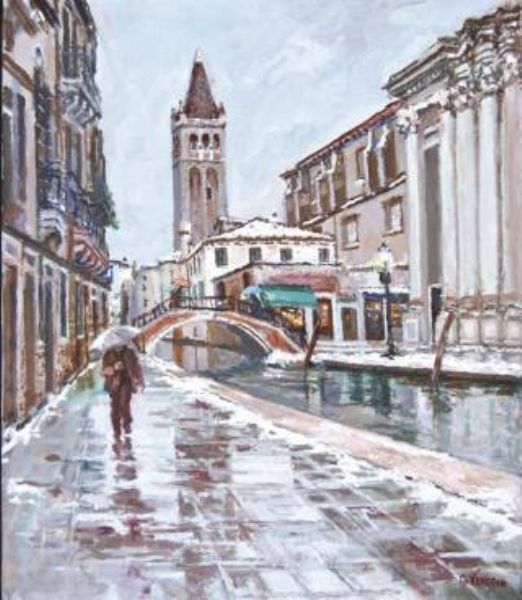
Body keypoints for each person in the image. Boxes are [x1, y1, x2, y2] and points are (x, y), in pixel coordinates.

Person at [102, 342, 144, 438]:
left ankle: (127, 423)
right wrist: (114, 367)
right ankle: (116, 428)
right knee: (115, 406)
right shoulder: (108, 354)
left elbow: (137, 367)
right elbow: (104, 371)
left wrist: (140, 381)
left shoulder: (130, 353)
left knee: (124, 403)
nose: (119, 345)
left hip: (127, 382)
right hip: (113, 383)